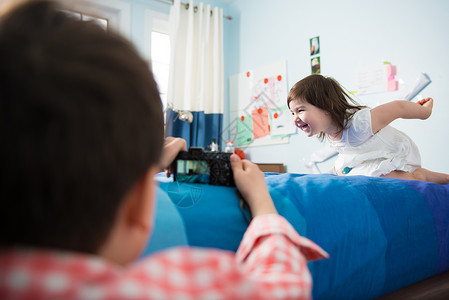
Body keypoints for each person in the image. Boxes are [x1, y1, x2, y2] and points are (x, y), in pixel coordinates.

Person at [0, 1, 328, 299]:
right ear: (138, 206)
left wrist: (147, 162)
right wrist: (262, 203)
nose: (297, 117)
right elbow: (282, 288)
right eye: (294, 111)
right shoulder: (162, 287)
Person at [287, 74, 449, 184]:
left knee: (393, 177)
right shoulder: (330, 132)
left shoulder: (359, 124)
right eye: (292, 112)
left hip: (397, 152)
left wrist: (425, 112)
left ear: (327, 106)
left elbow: (398, 107)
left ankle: (421, 176)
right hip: (367, 156)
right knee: (350, 177)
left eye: (300, 110)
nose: (295, 119)